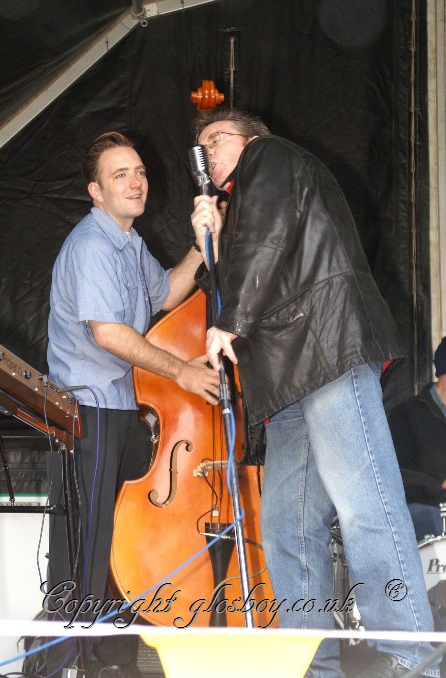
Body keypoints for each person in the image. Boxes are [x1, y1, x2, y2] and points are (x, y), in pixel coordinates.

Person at [190, 108, 440, 678]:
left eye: (214, 140)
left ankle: (413, 658)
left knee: (363, 503)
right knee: (286, 527)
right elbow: (247, 270)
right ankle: (310, 663)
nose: (206, 156)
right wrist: (213, 244)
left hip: (325, 349)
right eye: (199, 149)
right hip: (287, 377)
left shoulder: (268, 155)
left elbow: (268, 242)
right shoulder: (244, 202)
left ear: (247, 137)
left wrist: (230, 320)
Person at [44, 131, 219, 676]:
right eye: (120, 174)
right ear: (95, 191)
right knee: (87, 541)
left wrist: (201, 244)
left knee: (119, 536)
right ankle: (65, 661)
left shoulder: (127, 241)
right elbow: (111, 334)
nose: (136, 181)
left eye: (139, 171)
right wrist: (182, 371)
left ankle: (107, 657)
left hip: (120, 408)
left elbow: (164, 293)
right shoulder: (92, 246)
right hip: (88, 409)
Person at [388, 338, 446, 542]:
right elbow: (396, 475)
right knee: (424, 516)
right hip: (425, 512)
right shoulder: (405, 415)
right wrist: (439, 484)